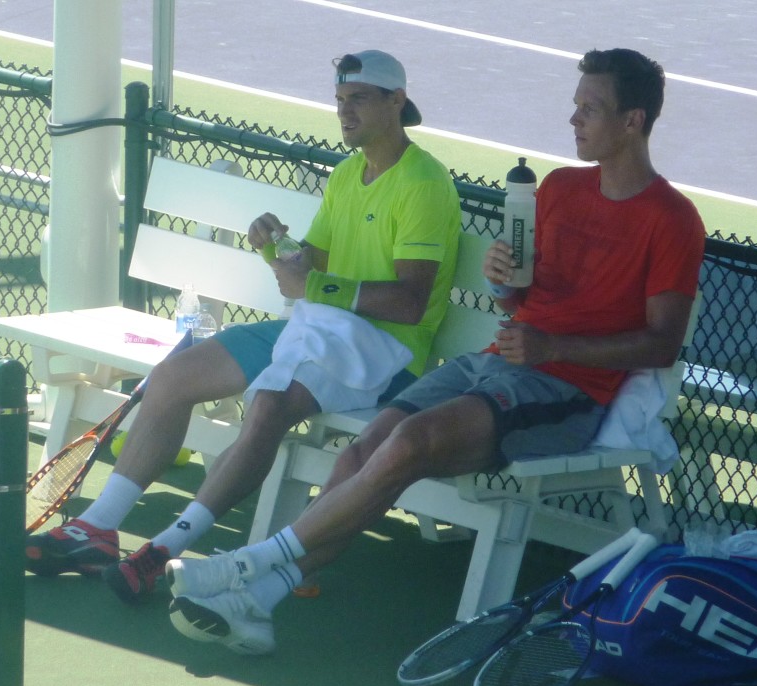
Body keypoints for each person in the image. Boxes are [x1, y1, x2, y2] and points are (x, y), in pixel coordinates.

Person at [164, 47, 707, 655]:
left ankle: (246, 566)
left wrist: (553, 343)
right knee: (365, 449)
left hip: (567, 391)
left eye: (591, 109)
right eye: (576, 106)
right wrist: (507, 280)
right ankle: (261, 602)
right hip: (499, 360)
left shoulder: (674, 220)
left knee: (410, 444)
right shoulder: (558, 189)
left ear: (632, 121)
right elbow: (521, 297)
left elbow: (662, 343)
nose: (574, 120)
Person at [25, 50, 463, 608]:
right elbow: (317, 265)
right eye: (339, 101)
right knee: (173, 376)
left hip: (385, 351)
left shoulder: (424, 183)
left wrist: (315, 287)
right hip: (319, 327)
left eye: (358, 100)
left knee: (267, 407)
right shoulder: (349, 172)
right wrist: (276, 246)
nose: (344, 112)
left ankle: (163, 550)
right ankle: (97, 530)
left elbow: (408, 301)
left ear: (396, 101)